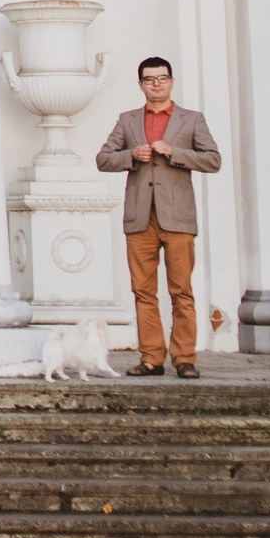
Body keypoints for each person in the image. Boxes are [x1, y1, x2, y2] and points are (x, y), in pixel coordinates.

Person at [95, 56, 221, 379]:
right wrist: (130, 156)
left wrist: (174, 153)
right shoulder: (128, 120)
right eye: (149, 79)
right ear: (140, 84)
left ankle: (184, 358)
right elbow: (103, 159)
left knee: (181, 290)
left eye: (162, 78)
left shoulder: (191, 120)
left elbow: (213, 160)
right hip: (140, 217)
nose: (156, 84)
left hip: (178, 217)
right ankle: (151, 357)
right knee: (143, 291)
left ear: (172, 81)